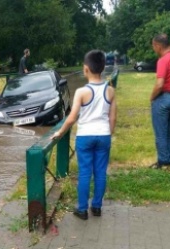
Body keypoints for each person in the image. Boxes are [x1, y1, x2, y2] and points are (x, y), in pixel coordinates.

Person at [50, 50, 116, 220]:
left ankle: (81, 209)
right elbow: (112, 117)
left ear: (85, 68)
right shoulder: (110, 91)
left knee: (85, 173)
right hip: (103, 135)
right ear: (102, 67)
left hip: (85, 136)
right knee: (100, 173)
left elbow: (72, 118)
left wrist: (60, 132)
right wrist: (108, 133)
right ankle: (97, 207)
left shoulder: (81, 92)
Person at [150, 34, 170, 169]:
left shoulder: (163, 60)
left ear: (158, 45)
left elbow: (159, 84)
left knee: (161, 131)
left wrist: (152, 98)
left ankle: (164, 161)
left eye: (153, 46)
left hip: (164, 98)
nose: (153, 49)